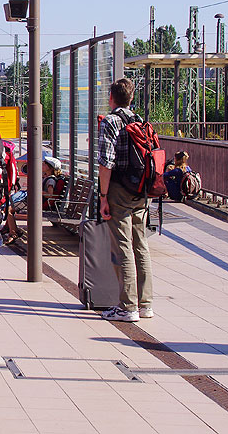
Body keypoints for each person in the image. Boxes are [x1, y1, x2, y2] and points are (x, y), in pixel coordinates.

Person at [98, 78, 153, 322]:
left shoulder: (110, 121)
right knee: (140, 245)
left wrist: (103, 197)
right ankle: (146, 304)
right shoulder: (139, 121)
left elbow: (106, 163)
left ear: (112, 98)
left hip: (119, 189)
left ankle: (127, 307)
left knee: (123, 246)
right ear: (130, 99)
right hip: (141, 190)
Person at [2, 155, 64, 244]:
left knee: (8, 210)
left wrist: (37, 191)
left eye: (44, 165)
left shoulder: (51, 180)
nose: (42, 166)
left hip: (36, 202)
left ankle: (13, 233)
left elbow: (50, 194)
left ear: (50, 168)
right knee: (9, 207)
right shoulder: (46, 177)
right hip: (34, 201)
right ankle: (11, 229)